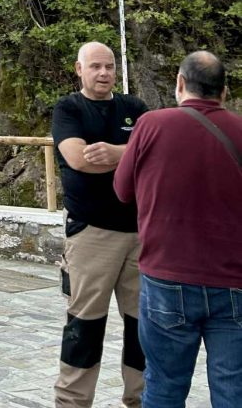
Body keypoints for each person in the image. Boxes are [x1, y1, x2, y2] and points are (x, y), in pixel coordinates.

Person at [114, 50, 242, 408]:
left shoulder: (151, 125)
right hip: (234, 280)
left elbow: (122, 190)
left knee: (164, 386)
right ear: (224, 91)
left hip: (167, 278)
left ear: (180, 83)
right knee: (234, 389)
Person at [52, 41, 148, 408]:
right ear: (80, 70)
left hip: (140, 234)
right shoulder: (69, 109)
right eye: (95, 66)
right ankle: (73, 401)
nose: (104, 73)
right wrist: (131, 155)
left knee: (143, 326)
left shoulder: (134, 108)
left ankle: (141, 398)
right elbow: (79, 159)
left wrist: (116, 152)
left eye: (109, 66)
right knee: (85, 325)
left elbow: (153, 152)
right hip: (91, 234)